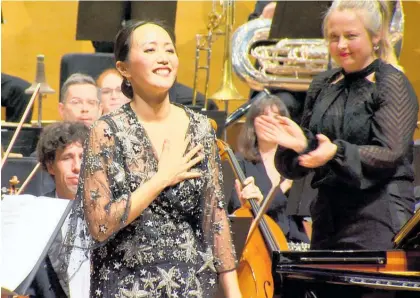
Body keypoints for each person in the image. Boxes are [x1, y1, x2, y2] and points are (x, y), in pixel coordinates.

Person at [63, 20, 242, 298]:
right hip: (125, 285)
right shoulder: (106, 131)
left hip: (192, 285)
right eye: (150, 50)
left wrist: (234, 294)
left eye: (169, 50)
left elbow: (215, 221)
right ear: (124, 69)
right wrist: (161, 179)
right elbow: (99, 226)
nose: (163, 58)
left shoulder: (201, 128)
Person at [256, 0, 418, 251]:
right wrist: (299, 146)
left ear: (375, 37)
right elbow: (312, 150)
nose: (340, 45)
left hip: (377, 220)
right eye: (333, 37)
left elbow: (389, 153)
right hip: (327, 219)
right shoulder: (323, 84)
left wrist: (334, 152)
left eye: (350, 36)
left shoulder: (391, 83)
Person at [228, 94, 310, 247]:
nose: (271, 121)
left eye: (277, 116)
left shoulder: (296, 162)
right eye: (264, 116)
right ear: (253, 124)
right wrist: (283, 187)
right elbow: (237, 211)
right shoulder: (239, 163)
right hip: (260, 245)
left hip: (295, 244)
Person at [28, 121, 90, 298]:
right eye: (67, 157)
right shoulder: (34, 214)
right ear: (50, 166)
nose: (77, 166)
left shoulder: (111, 211)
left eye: (83, 157)